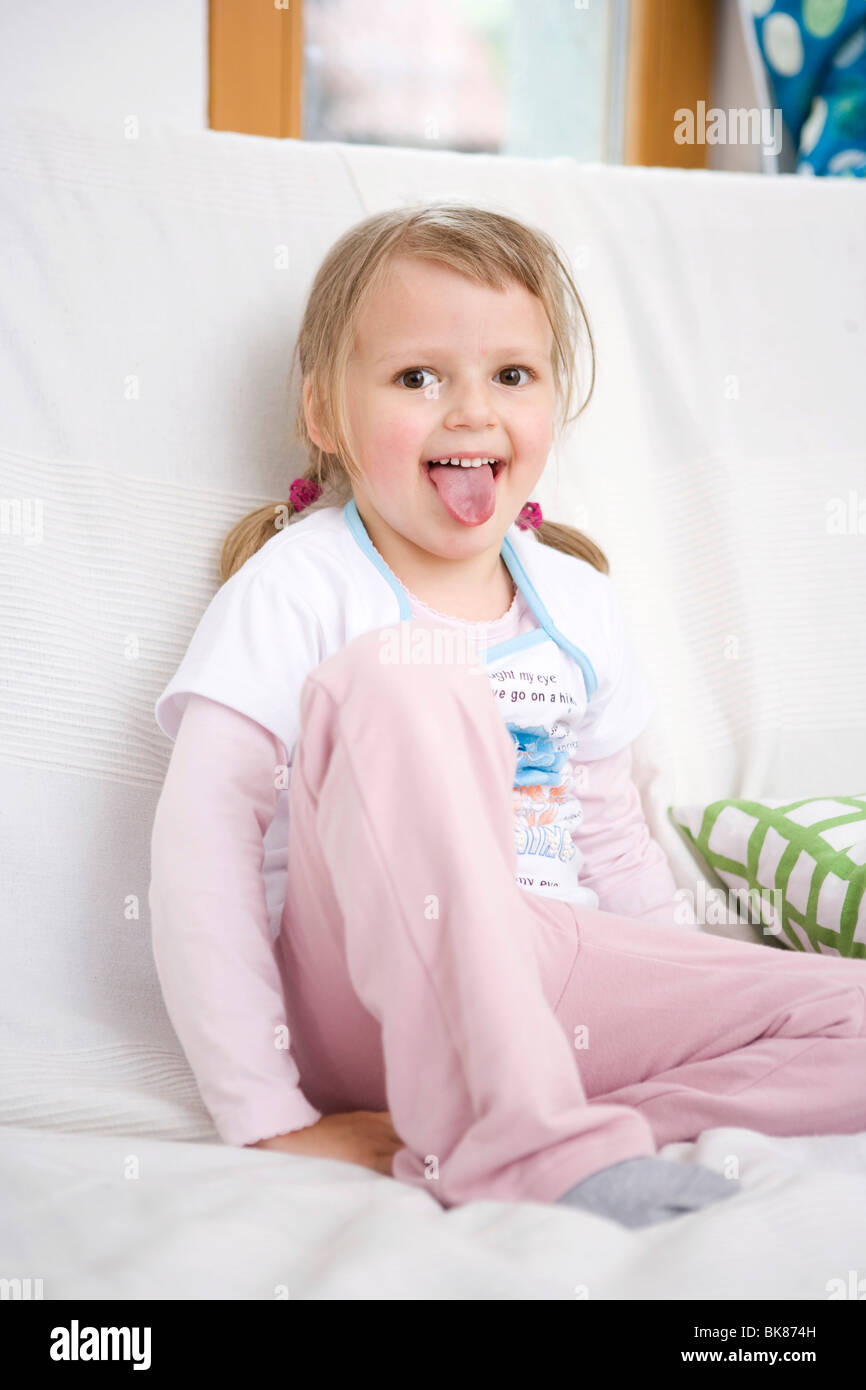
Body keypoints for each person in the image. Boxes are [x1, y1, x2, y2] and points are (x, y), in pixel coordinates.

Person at [148, 204, 866, 1229]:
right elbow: (201, 850)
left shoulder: (575, 599)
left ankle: (548, 1119)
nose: (470, 412)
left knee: (845, 1011)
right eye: (416, 377)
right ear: (323, 411)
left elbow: (614, 844)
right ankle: (522, 1150)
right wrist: (264, 1113)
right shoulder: (299, 585)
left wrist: (684, 983)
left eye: (511, 376)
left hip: (551, 973)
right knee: (407, 673)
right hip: (361, 985)